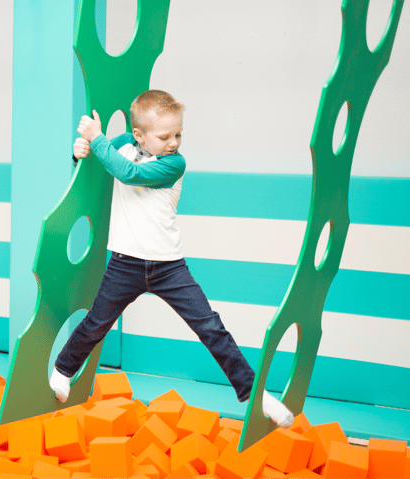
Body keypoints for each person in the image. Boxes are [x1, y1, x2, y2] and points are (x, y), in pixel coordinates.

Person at [49, 90, 294, 428]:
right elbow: (101, 159)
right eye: (164, 136)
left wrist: (97, 140)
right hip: (125, 264)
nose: (173, 142)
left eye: (178, 134)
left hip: (168, 267)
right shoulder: (121, 145)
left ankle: (256, 394)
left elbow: (128, 174)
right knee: (96, 323)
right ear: (139, 135)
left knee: (211, 327)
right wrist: (81, 153)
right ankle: (63, 370)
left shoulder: (174, 164)